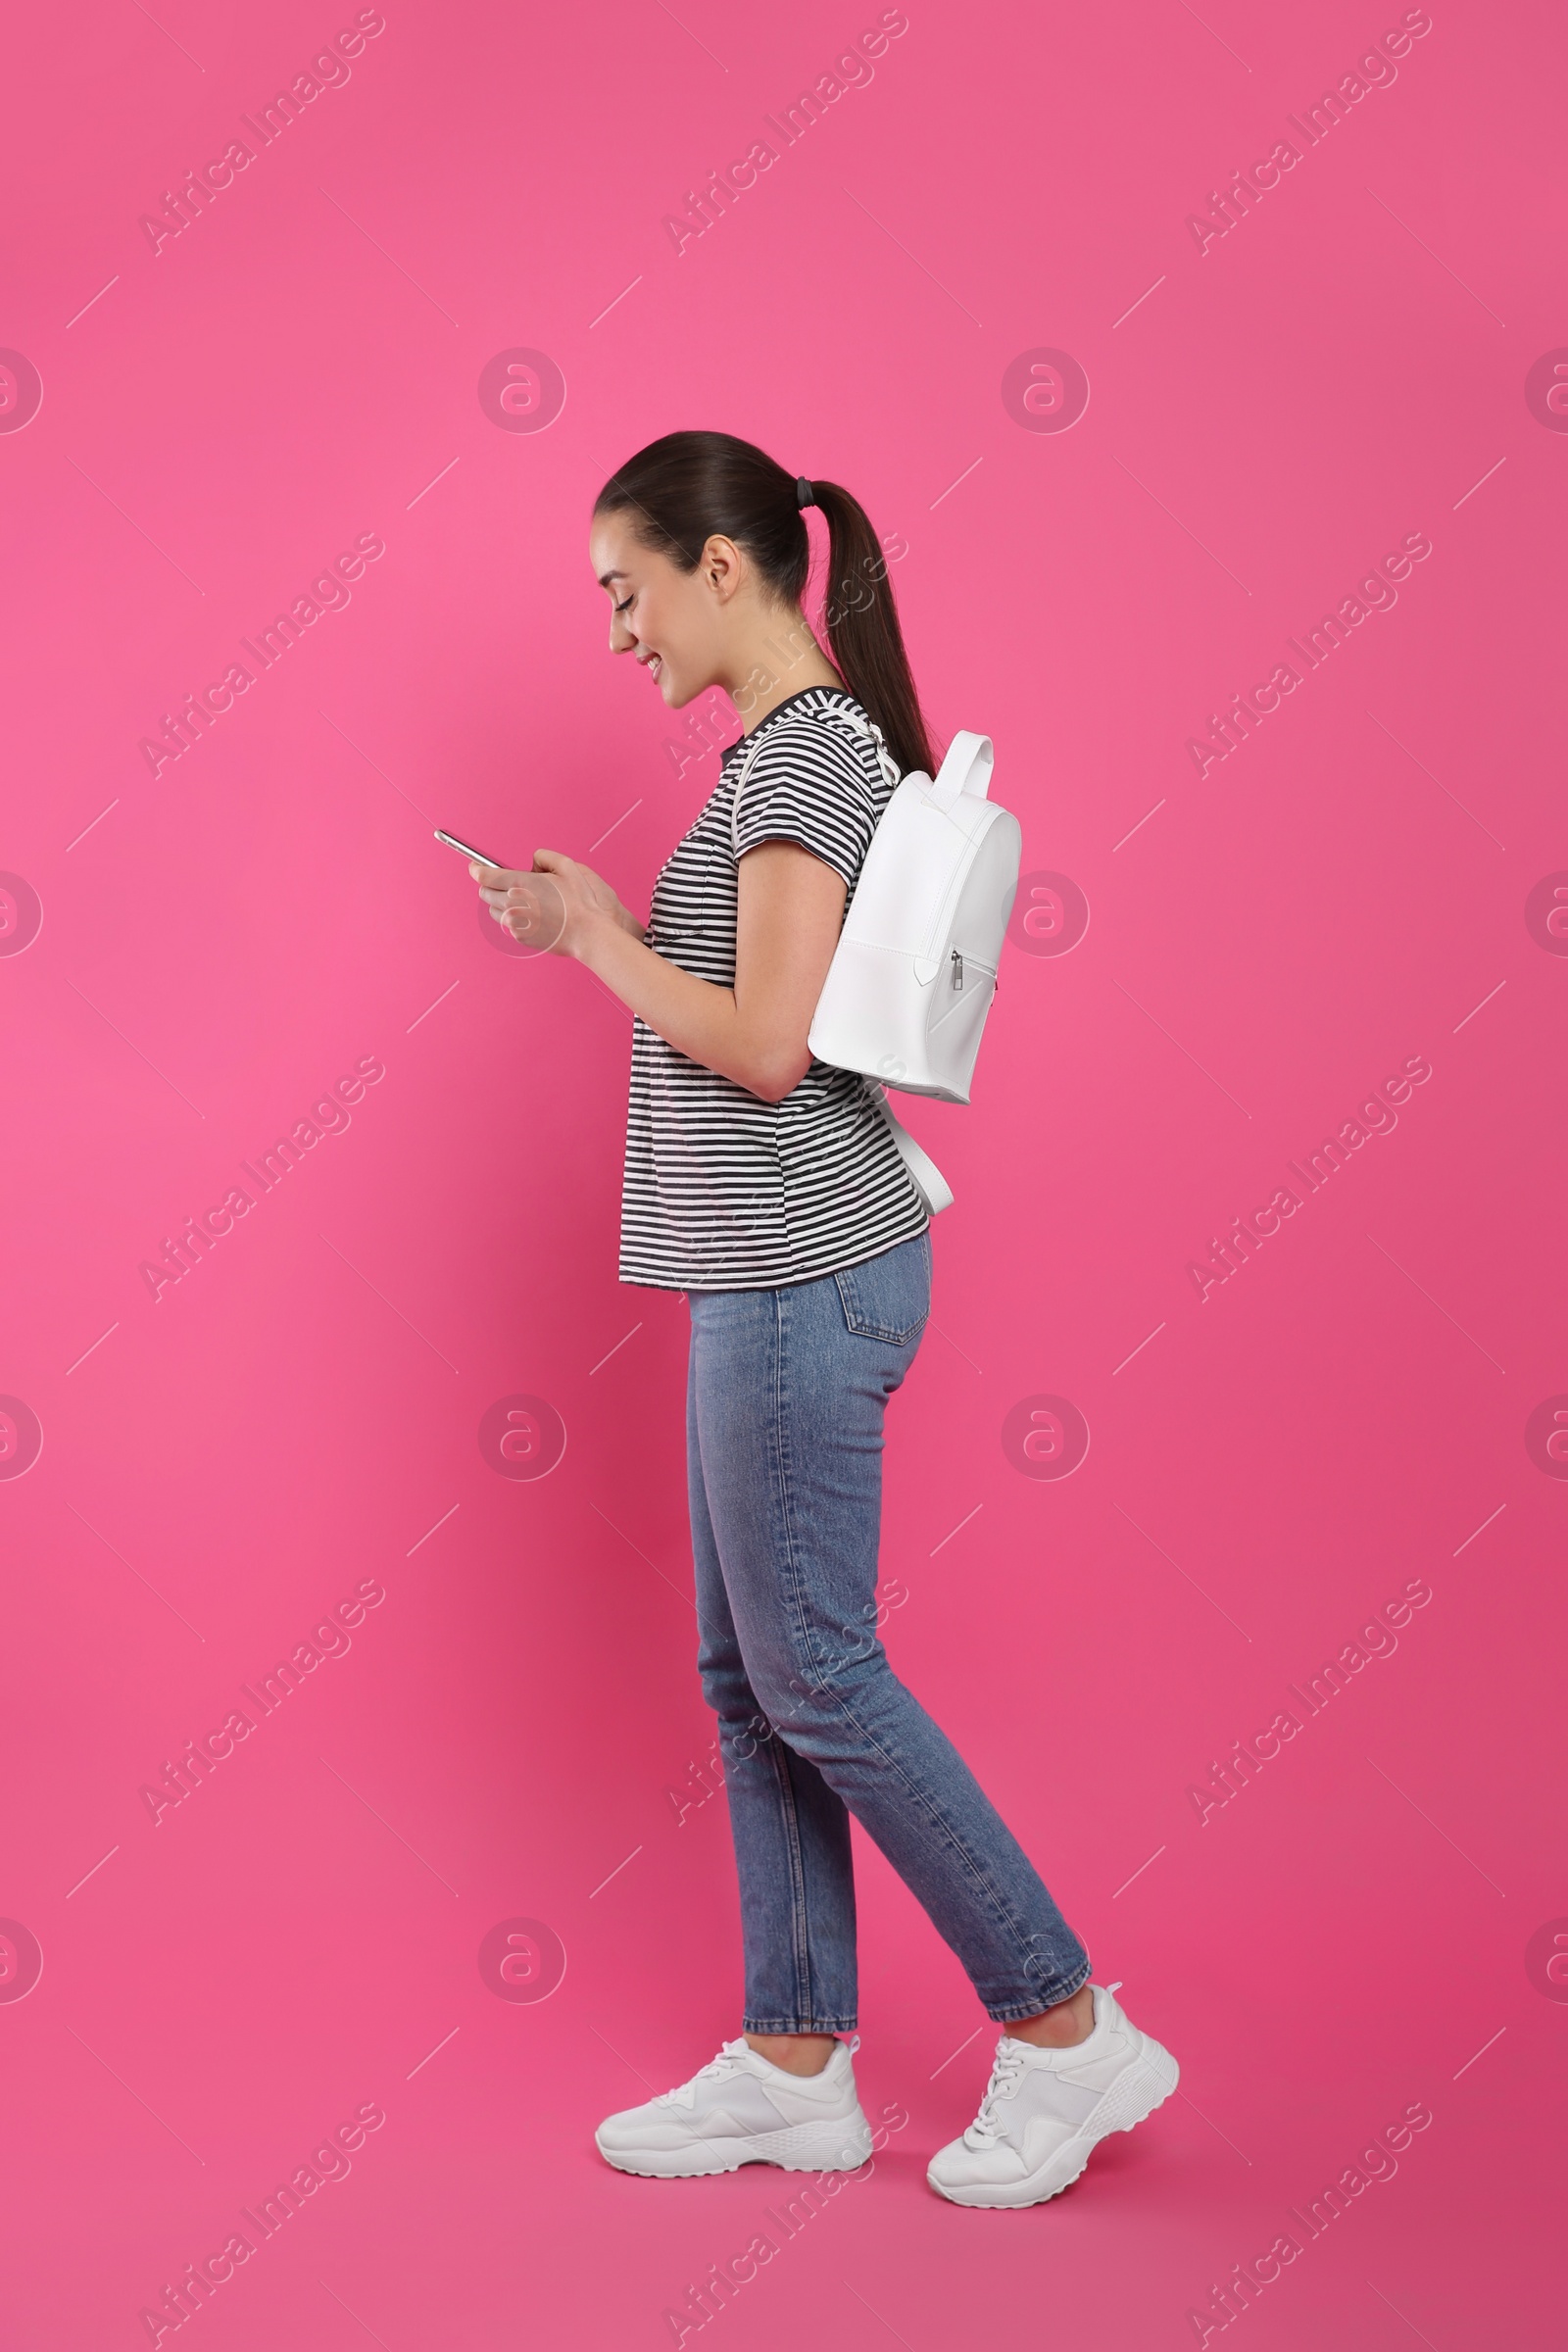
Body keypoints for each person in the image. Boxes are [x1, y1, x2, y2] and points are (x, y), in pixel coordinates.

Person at [471, 430, 1178, 2208]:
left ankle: (1069, 2032)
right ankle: (797, 2065)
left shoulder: (804, 759)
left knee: (817, 1670)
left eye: (625, 589)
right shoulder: (788, 751)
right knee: (751, 1678)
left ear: (724, 570)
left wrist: (591, 932)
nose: (618, 630)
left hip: (802, 1265)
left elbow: (774, 1049)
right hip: (761, 1267)